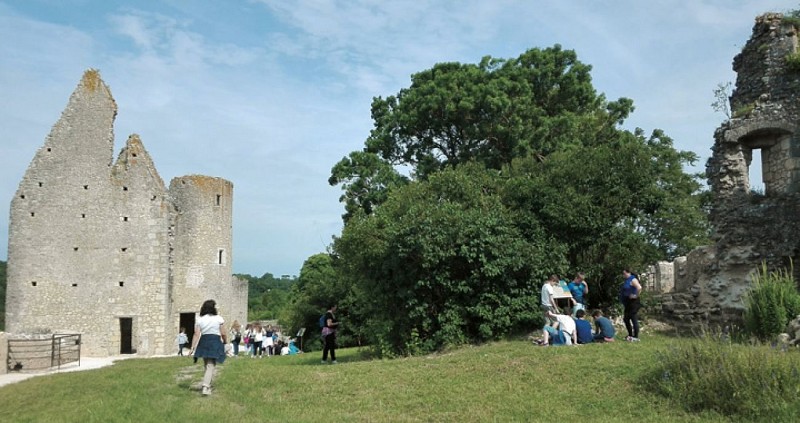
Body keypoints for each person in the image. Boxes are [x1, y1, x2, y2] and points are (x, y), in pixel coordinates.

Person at [189, 299, 227, 396]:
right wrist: (225, 342)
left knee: (207, 364)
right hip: (214, 340)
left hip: (204, 340)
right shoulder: (218, 318)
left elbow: (196, 334)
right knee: (211, 365)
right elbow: (223, 333)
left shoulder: (200, 319)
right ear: (213, 308)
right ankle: (205, 387)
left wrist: (192, 347)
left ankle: (208, 384)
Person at [619, 269, 643, 342]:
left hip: (633, 302)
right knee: (626, 319)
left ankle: (636, 336)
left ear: (628, 273)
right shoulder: (627, 280)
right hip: (628, 302)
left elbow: (639, 288)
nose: (623, 275)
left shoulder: (633, 279)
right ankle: (630, 334)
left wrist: (635, 295)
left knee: (633, 318)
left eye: (624, 273)